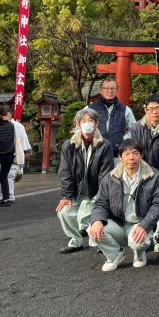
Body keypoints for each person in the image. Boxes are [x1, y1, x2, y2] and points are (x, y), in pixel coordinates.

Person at [88, 138, 159, 272]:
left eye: (135, 153)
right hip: (118, 223)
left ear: (141, 155)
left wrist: (145, 226)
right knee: (92, 229)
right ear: (120, 157)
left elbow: (158, 204)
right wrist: (97, 220)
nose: (131, 158)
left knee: (139, 242)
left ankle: (139, 254)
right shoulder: (110, 177)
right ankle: (115, 254)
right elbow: (101, 203)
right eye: (126, 154)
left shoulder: (154, 176)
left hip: (139, 223)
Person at [56, 108, 115, 253]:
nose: (87, 124)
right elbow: (65, 172)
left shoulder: (104, 145)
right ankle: (75, 240)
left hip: (96, 190)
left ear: (96, 124)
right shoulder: (68, 145)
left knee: (95, 211)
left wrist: (101, 197)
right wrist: (67, 196)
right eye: (83, 121)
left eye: (90, 121)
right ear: (78, 124)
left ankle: (97, 239)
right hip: (77, 190)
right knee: (63, 211)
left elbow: (105, 174)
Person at [129, 95, 159, 252]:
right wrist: (142, 173)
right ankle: (145, 231)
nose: (155, 112)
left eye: (158, 108)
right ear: (145, 110)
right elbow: (135, 151)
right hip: (141, 171)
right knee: (140, 201)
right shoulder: (137, 127)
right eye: (151, 109)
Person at [88, 77, 136, 158]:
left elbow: (134, 129)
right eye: (106, 88)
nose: (110, 91)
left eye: (113, 88)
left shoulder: (125, 110)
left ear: (117, 90)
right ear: (101, 90)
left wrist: (123, 140)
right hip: (94, 152)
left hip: (117, 153)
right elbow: (79, 128)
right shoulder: (90, 108)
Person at [0, 108, 32, 204]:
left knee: (9, 176)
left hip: (13, 153)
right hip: (0, 153)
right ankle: (1, 196)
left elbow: (22, 141)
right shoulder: (0, 124)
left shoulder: (17, 126)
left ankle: (9, 196)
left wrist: (22, 154)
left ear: (9, 115)